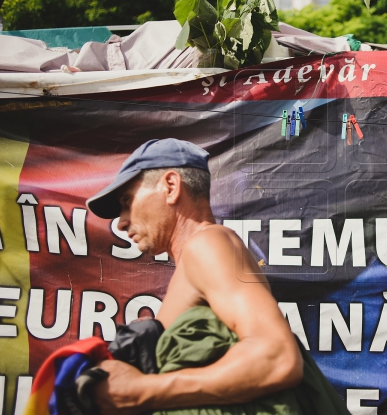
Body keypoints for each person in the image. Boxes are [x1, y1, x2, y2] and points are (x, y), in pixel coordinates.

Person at [85, 139, 306, 415]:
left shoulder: (208, 244)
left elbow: (276, 357)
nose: (121, 221)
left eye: (127, 201)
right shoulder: (196, 258)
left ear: (170, 186)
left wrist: (140, 390)